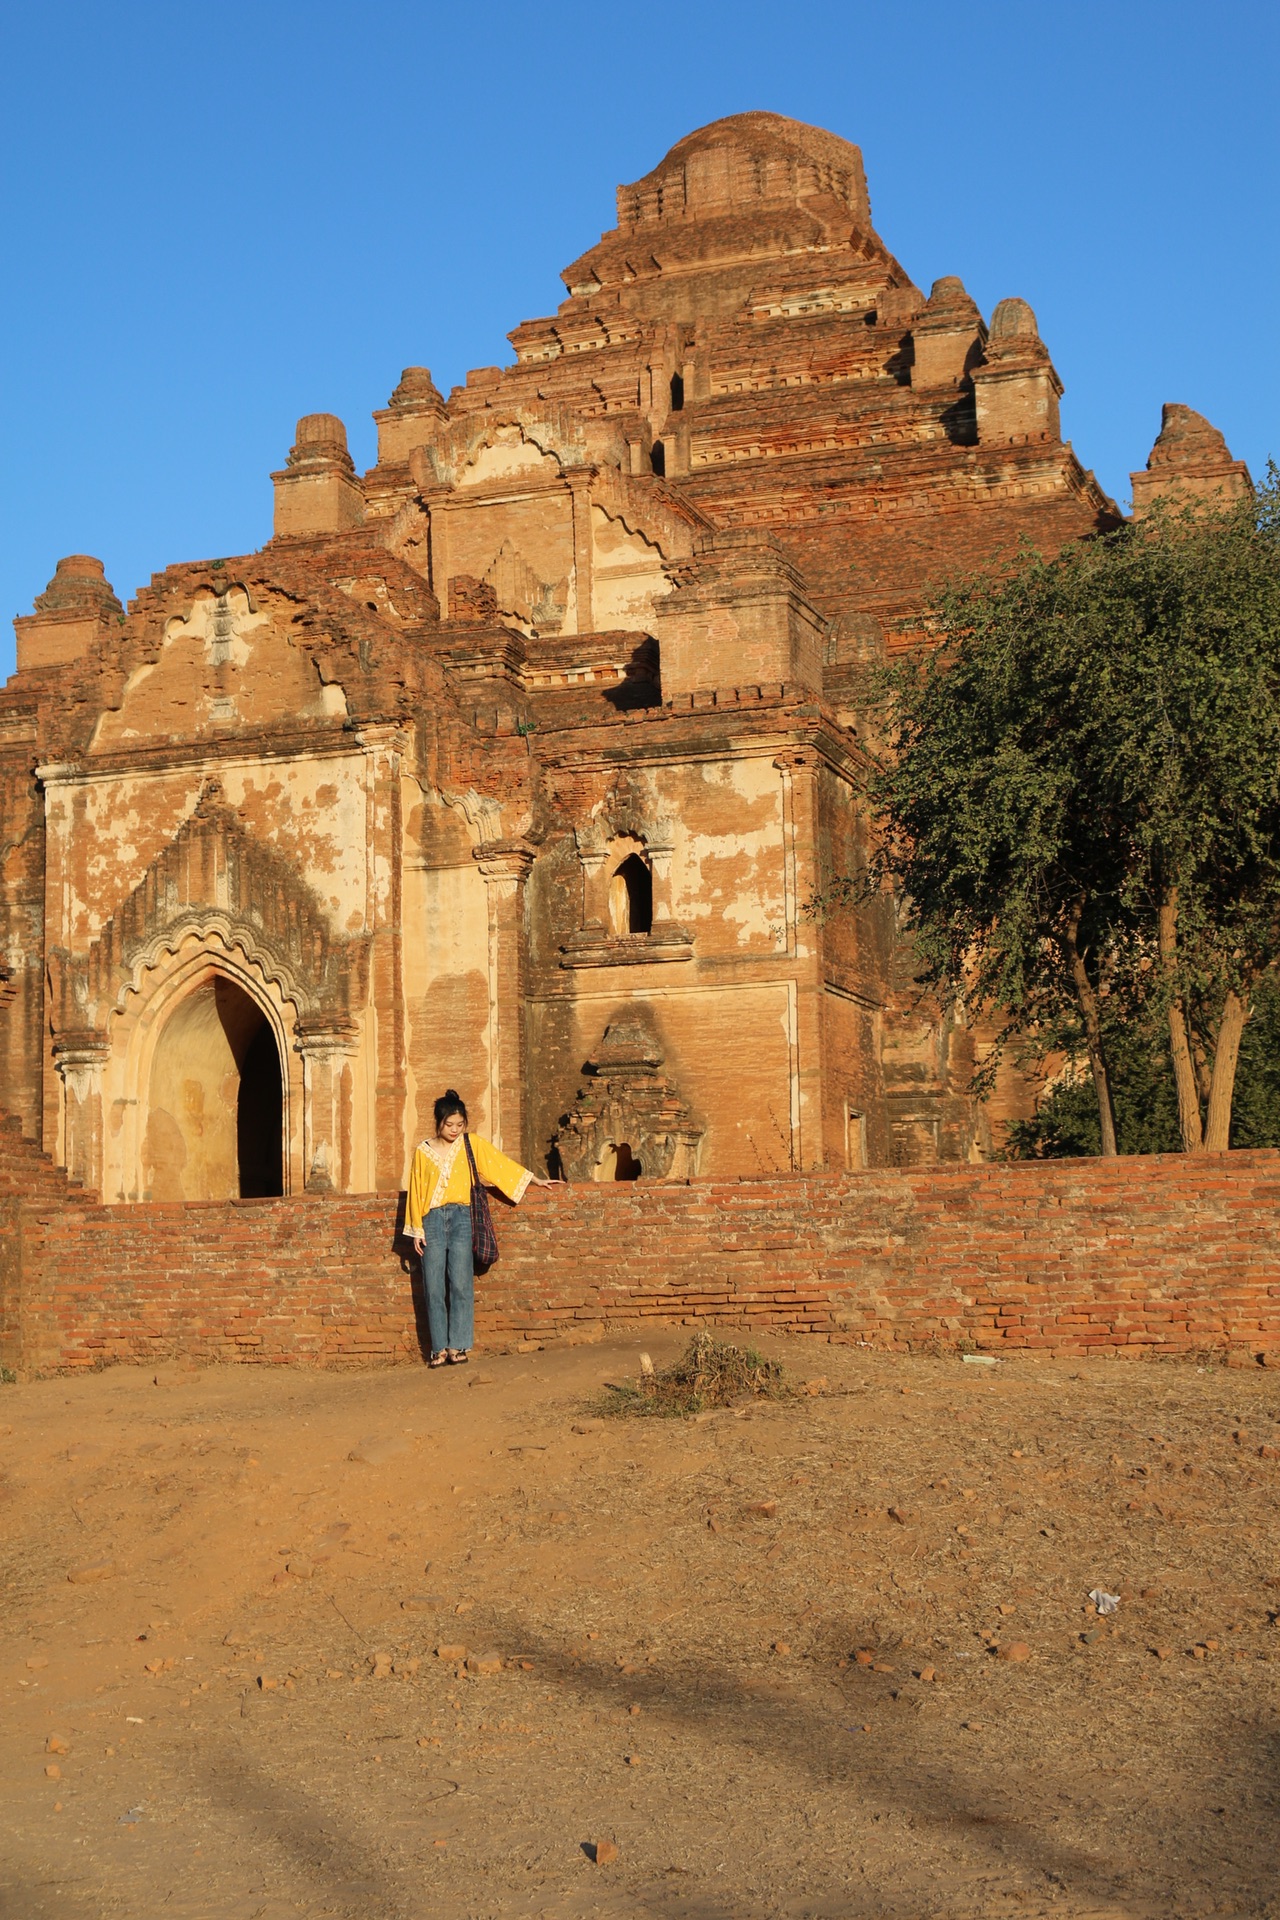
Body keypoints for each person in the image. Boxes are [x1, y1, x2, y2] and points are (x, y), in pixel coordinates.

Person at [406, 1089, 556, 1367]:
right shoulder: (422, 1151)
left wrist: (535, 1180)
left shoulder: (470, 1144)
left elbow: (500, 1165)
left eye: (459, 1124)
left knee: (461, 1283)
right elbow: (415, 1191)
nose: (454, 1129)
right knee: (433, 1285)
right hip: (432, 1220)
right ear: (438, 1123)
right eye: (449, 1124)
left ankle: (458, 1346)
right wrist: (416, 1229)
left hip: (463, 1217)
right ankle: (438, 1348)